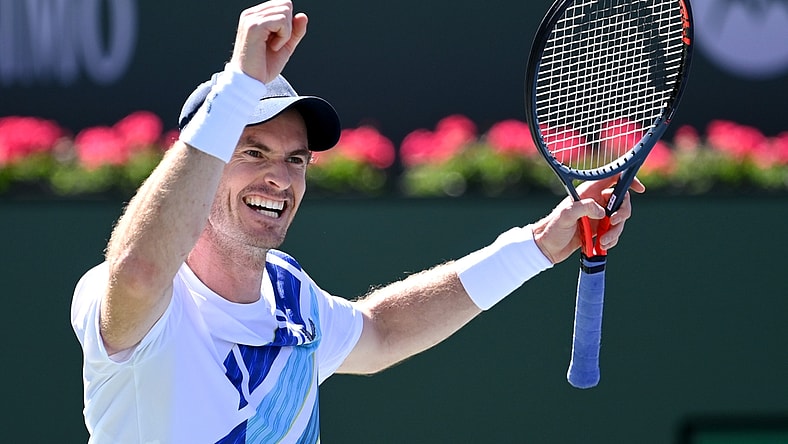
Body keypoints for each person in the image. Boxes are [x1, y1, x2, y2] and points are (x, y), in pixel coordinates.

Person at [70, 1, 644, 442]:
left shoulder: (291, 296)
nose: (280, 178)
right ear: (200, 164)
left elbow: (383, 331)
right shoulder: (127, 298)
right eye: (253, 152)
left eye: (295, 160)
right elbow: (141, 269)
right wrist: (238, 86)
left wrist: (539, 245)